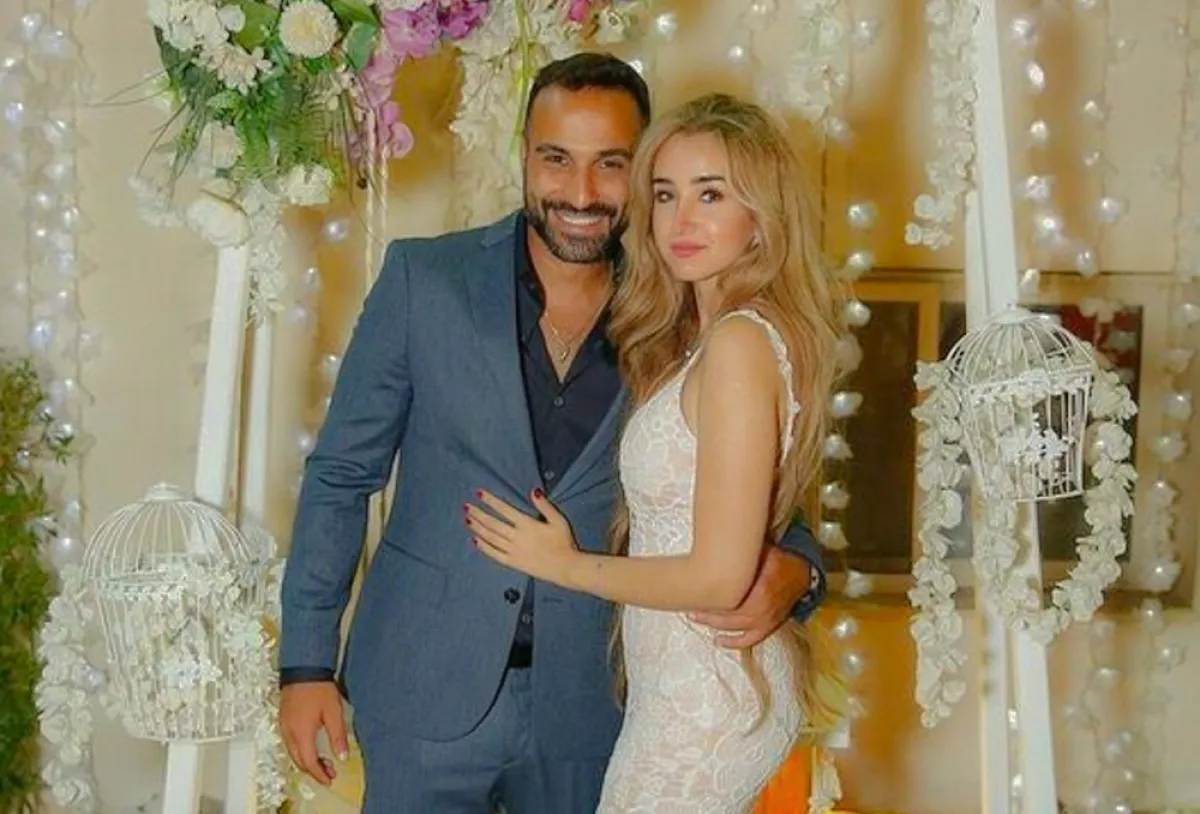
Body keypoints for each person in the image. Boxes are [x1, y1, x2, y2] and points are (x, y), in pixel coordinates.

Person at [278, 53, 826, 814]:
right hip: (421, 687)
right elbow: (342, 473)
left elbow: (747, 485)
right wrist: (305, 664)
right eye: (556, 159)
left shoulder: (680, 310)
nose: (581, 192)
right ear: (524, 156)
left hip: (596, 705)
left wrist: (800, 570)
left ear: (641, 170)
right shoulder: (423, 280)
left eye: (612, 164)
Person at [465, 92, 844, 813]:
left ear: (761, 216)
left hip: (706, 701)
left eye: (711, 194)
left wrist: (563, 564)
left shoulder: (738, 345)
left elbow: (720, 576)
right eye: (666, 194)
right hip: (683, 691)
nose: (681, 220)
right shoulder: (708, 339)